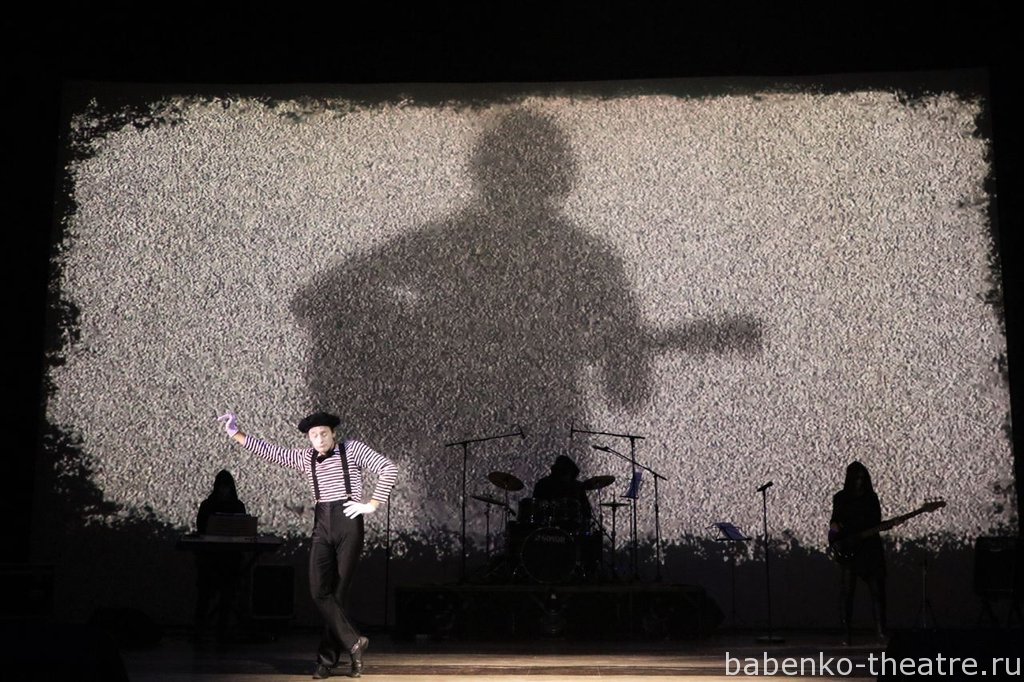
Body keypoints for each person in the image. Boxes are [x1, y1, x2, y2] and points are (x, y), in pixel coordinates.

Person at [217, 411, 398, 679]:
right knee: (318, 591)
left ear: (333, 433)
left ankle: (326, 661)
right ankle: (354, 642)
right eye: (314, 435)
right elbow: (272, 452)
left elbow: (388, 468)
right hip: (322, 523)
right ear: (309, 439)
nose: (319, 439)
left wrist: (371, 504)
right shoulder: (306, 458)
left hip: (348, 522)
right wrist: (236, 433)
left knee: (338, 594)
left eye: (323, 433)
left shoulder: (352, 449)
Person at [829, 461, 887, 645]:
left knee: (877, 592)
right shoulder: (840, 498)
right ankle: (846, 634)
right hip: (850, 551)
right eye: (856, 478)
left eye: (862, 478)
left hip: (870, 549)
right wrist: (835, 536)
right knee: (847, 593)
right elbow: (834, 522)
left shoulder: (871, 498)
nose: (859, 481)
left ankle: (881, 632)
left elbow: (876, 521)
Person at [194, 469, 247, 643]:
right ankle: (200, 632)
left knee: (227, 596)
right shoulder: (207, 505)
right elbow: (201, 528)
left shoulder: (237, 506)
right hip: (211, 559)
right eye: (221, 487)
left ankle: (222, 632)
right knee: (205, 596)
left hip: (229, 559)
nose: (224, 491)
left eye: (226, 487)